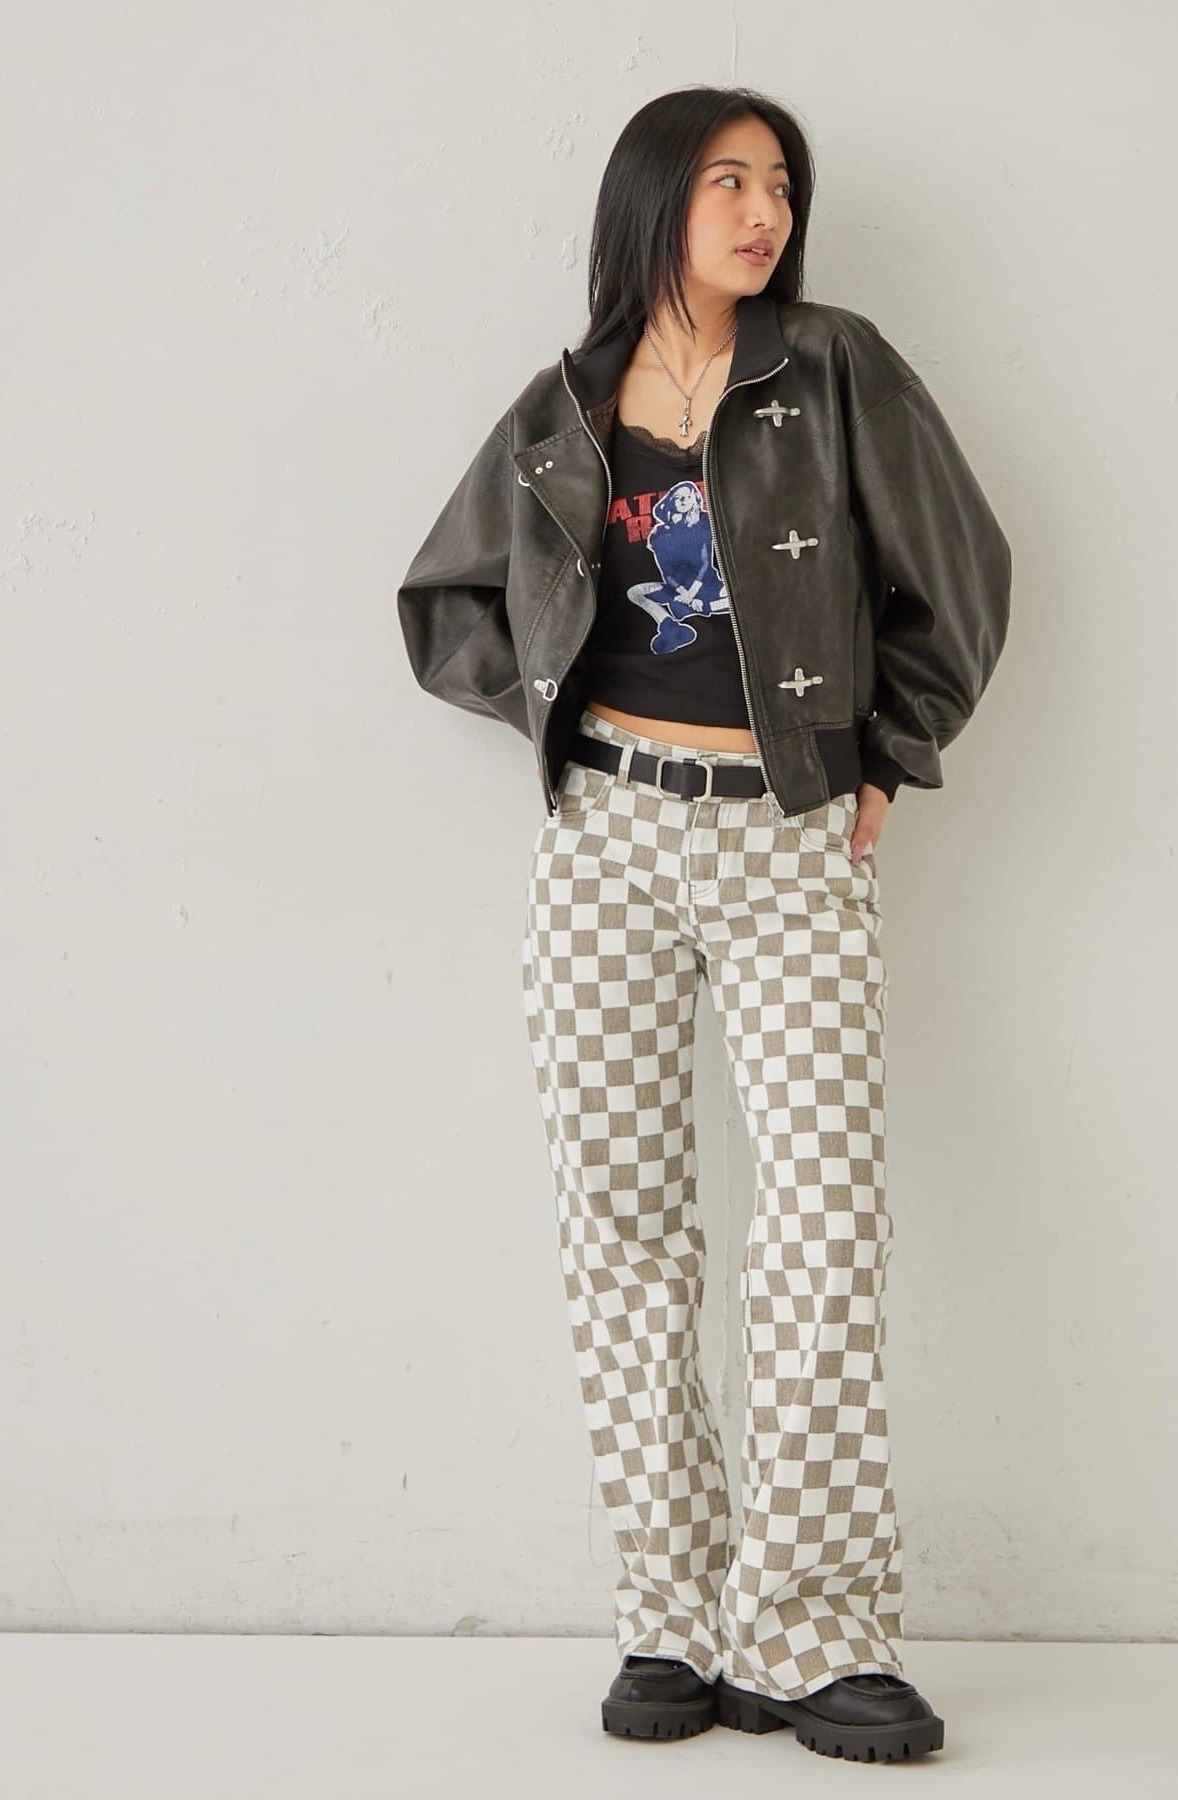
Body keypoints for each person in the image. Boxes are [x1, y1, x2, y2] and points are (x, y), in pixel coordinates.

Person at [396, 84, 1012, 1764]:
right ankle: (670, 1616)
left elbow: (963, 574)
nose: (764, 211)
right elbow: (444, 602)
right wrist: (550, 706)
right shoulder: (563, 409)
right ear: (653, 200)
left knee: (825, 1223)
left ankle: (814, 1634)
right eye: (729, 180)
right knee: (623, 1231)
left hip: (788, 837)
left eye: (782, 184)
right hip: (602, 840)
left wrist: (887, 749)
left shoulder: (834, 371)